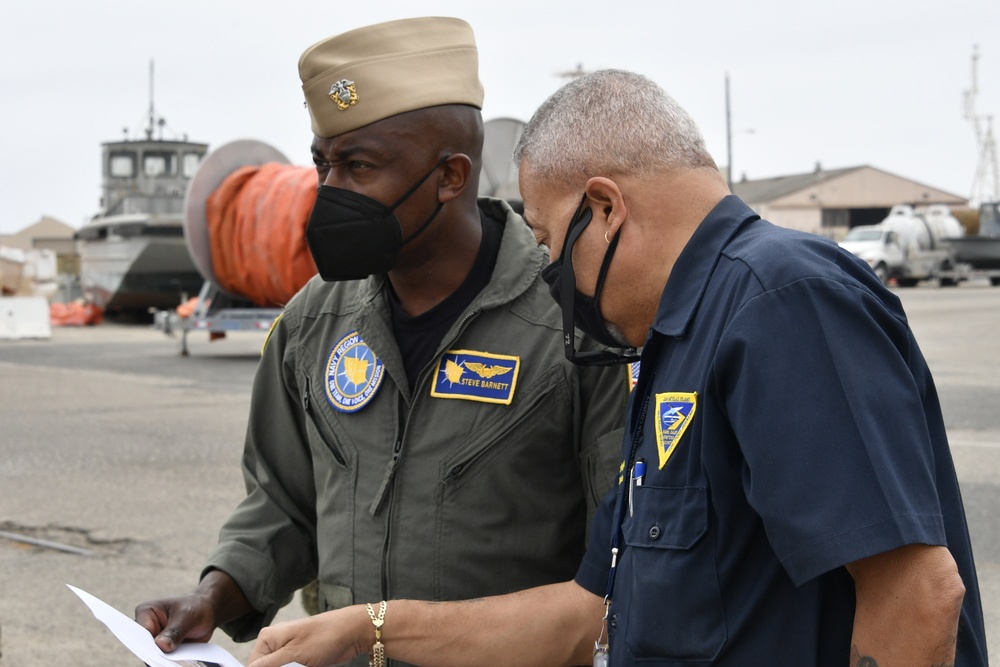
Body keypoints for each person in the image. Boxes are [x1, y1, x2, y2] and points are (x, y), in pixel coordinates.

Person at [245, 69, 989, 667]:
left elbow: (916, 597)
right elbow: (583, 616)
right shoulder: (674, 343)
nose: (543, 269)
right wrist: (366, 630)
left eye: (543, 239)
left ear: (603, 207)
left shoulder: (780, 304)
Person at [134, 19, 629, 667]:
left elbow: (621, 570)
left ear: (452, 175)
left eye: (358, 166)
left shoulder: (575, 327)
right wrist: (214, 592)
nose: (329, 191)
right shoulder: (312, 322)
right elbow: (284, 501)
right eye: (322, 163)